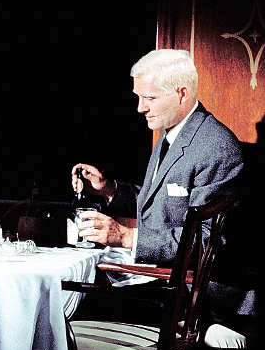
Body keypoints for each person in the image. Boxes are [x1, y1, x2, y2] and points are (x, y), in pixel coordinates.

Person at [70, 49, 244, 324]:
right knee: (73, 298)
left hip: (198, 297)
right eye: (139, 97)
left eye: (150, 98)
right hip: (165, 280)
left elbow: (207, 240)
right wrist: (109, 190)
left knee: (74, 306)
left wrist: (127, 237)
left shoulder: (216, 147)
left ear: (182, 94)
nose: (140, 108)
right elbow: (159, 203)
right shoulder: (172, 133)